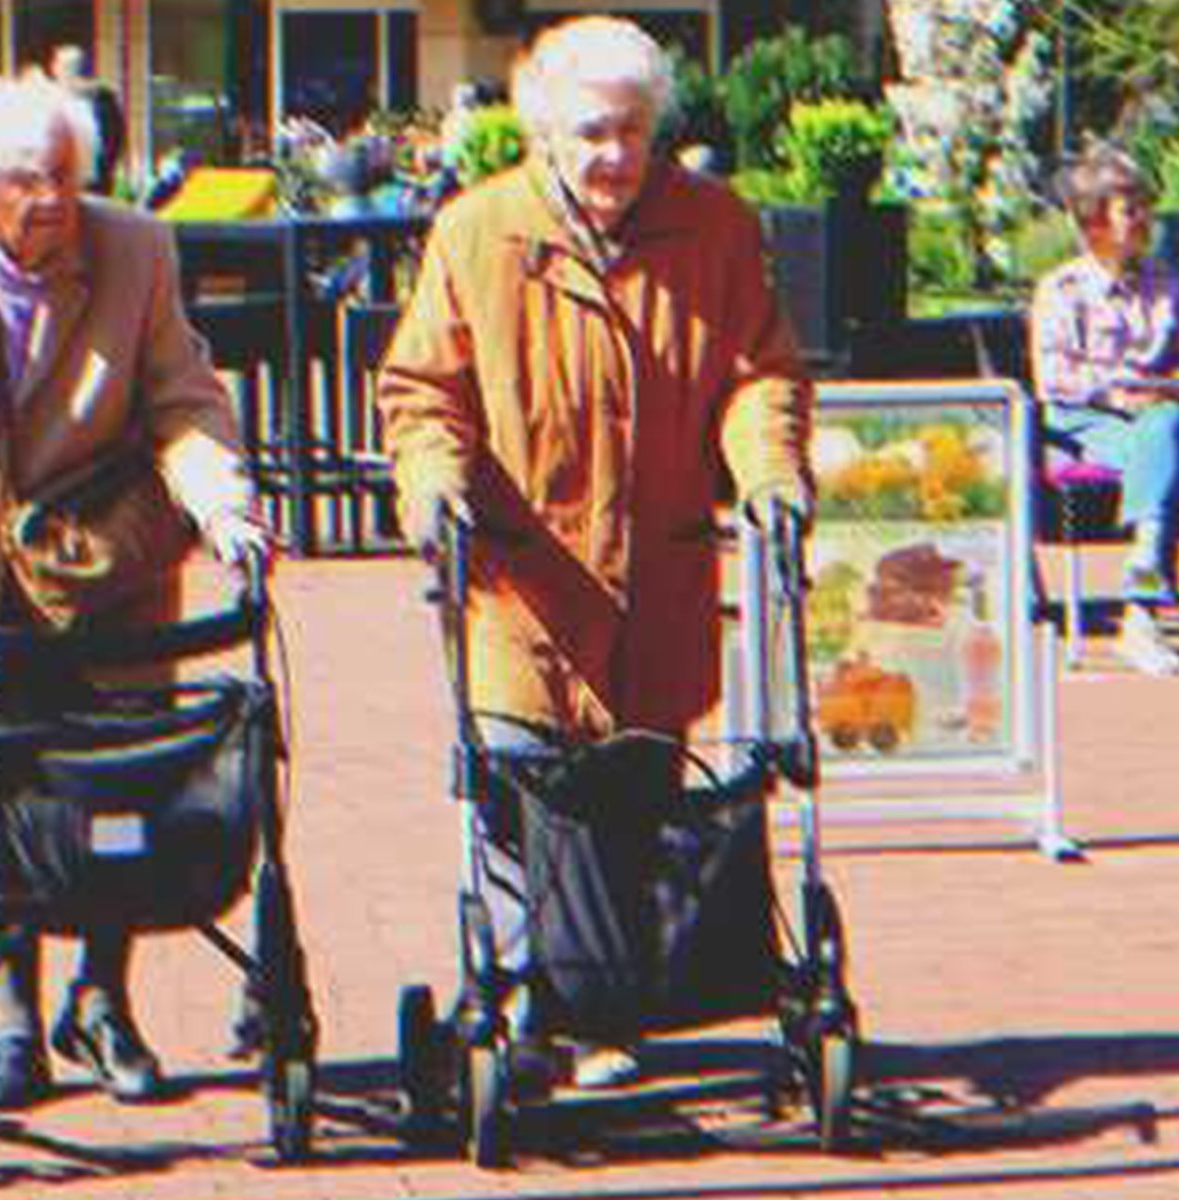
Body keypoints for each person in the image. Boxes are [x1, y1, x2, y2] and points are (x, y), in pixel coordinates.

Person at [378, 16, 811, 1090]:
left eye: (630, 132)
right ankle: (527, 1002)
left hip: (657, 581)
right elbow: (423, 390)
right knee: (519, 788)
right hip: (524, 583)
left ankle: (604, 1011)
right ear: (541, 135)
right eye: (589, 135)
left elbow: (762, 372)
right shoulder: (479, 233)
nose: (613, 156)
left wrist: (769, 472)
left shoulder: (713, 228)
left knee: (633, 796)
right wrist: (431, 483)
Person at [0, 72, 268, 1112]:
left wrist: (224, 504)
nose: (54, 201)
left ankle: (103, 1001)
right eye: (27, 182)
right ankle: (15, 1012)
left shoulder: (135, 250)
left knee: (121, 782)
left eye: (67, 176)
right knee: (6, 795)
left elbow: (184, 400)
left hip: (102, 567)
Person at [1028, 142, 1179, 676]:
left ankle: (1140, 606)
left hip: (1162, 416)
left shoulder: (1170, 285)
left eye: (1144, 208)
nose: (1143, 221)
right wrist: (1116, 394)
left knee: (1163, 426)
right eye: (1128, 210)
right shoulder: (1061, 290)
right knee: (1160, 437)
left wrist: (1173, 387)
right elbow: (1054, 378)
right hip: (1087, 421)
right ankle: (1141, 611)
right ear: (1093, 222)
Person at [50, 45, 125, 196]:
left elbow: (115, 140)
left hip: (94, 185)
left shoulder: (102, 100)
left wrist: (104, 171)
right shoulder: (48, 100)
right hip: (58, 185)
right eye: (65, 67)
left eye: (75, 67)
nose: (69, 72)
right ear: (55, 69)